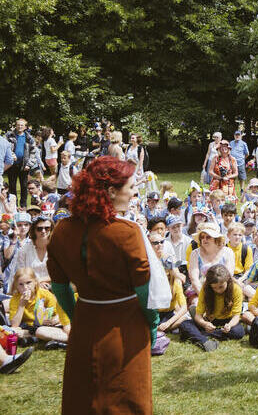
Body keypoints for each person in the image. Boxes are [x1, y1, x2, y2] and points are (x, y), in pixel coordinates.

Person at [45, 156, 157, 413]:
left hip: (85, 322)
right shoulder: (126, 232)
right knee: (127, 397)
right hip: (126, 325)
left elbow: (60, 287)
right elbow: (144, 289)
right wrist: (152, 323)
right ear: (111, 192)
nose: (134, 193)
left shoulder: (62, 230)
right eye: (131, 187)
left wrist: (77, 316)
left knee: (83, 397)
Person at [179, 264, 245, 351]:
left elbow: (236, 316)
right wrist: (204, 324)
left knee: (238, 332)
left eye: (221, 287)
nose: (218, 290)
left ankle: (199, 335)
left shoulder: (236, 289)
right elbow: (198, 316)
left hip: (228, 321)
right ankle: (205, 342)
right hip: (210, 320)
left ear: (227, 280)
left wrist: (229, 325)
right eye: (214, 288)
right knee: (185, 324)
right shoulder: (205, 289)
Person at [5, 119, 36, 207]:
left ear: (25, 127)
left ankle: (23, 206)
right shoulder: (9, 136)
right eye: (18, 125)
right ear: (16, 126)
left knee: (24, 186)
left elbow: (33, 152)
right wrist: (11, 155)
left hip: (24, 165)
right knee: (12, 186)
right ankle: (13, 205)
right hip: (12, 164)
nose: (20, 127)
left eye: (22, 125)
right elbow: (6, 148)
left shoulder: (29, 138)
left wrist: (29, 164)